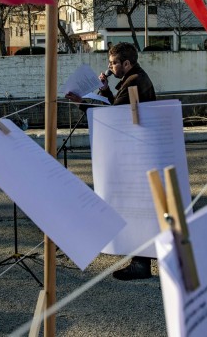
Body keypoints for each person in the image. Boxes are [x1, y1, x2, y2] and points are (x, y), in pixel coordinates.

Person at [66, 42, 156, 281]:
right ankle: (143, 259)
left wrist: (81, 105)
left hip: (134, 153)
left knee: (136, 208)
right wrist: (106, 91)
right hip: (138, 149)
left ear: (126, 63)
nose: (110, 67)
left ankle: (141, 263)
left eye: (113, 63)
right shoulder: (134, 78)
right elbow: (120, 107)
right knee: (141, 207)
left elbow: (114, 118)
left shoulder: (134, 81)